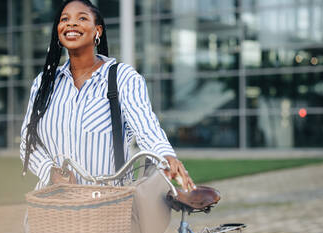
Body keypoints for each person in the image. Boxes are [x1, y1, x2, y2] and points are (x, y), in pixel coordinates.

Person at [20, 0, 195, 192]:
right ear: (58, 30)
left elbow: (146, 129)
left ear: (98, 31)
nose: (71, 23)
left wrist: (166, 157)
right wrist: (50, 173)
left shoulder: (123, 78)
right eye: (65, 19)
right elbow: (28, 142)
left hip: (109, 208)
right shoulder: (44, 83)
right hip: (52, 209)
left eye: (82, 18)